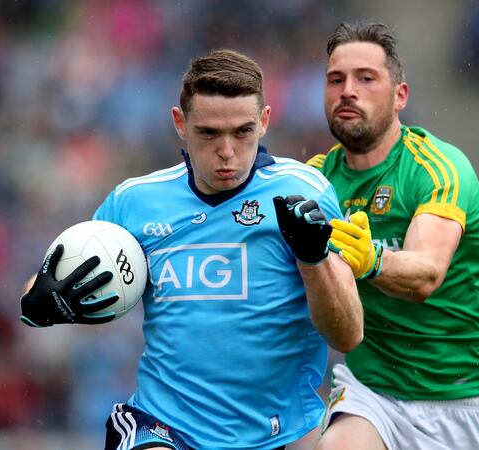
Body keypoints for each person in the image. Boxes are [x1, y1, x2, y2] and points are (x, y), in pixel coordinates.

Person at [18, 49, 363, 450]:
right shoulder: (135, 201)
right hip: (164, 426)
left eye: (242, 132)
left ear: (264, 121)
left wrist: (313, 259)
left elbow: (348, 334)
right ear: (180, 124)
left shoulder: (305, 192)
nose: (227, 151)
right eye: (209, 133)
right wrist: (43, 304)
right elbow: (46, 287)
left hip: (279, 433)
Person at [306, 22, 479, 450]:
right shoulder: (314, 181)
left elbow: (426, 273)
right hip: (372, 386)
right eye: (336, 80)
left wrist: (371, 260)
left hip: (462, 391)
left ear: (400, 96)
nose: (347, 91)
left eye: (366, 78)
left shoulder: (438, 167)